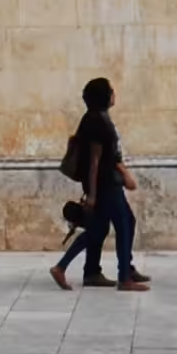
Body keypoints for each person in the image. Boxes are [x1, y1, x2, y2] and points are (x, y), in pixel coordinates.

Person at [57, 74, 144, 289]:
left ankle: (70, 269)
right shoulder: (97, 121)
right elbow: (96, 161)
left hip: (106, 184)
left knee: (100, 229)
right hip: (106, 186)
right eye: (110, 90)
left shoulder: (95, 118)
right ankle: (124, 277)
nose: (114, 93)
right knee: (123, 225)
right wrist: (94, 194)